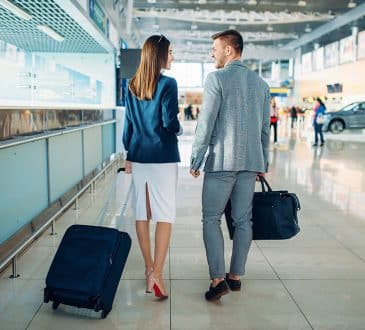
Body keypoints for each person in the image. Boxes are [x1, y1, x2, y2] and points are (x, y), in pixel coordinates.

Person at [190, 29, 270, 301]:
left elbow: (206, 122)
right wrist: (263, 162)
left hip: (222, 162)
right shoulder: (261, 84)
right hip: (250, 163)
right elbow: (264, 131)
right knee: (242, 219)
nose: (212, 52)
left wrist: (196, 158)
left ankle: (217, 280)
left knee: (211, 218)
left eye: (215, 47)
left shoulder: (217, 79)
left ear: (229, 50)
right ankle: (235, 277)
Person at [122, 34, 181, 299]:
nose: (173, 56)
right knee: (164, 215)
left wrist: (129, 153)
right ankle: (157, 273)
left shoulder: (131, 85)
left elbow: (129, 126)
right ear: (159, 54)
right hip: (164, 157)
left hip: (139, 156)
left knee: (142, 213)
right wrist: (179, 128)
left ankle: (148, 270)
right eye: (170, 52)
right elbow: (170, 122)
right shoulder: (168, 84)